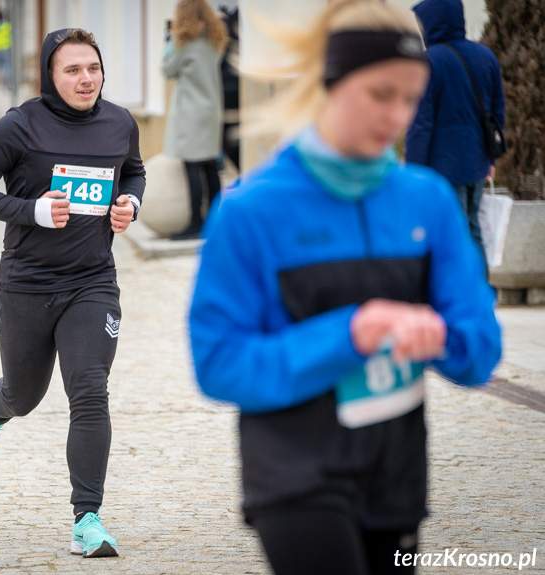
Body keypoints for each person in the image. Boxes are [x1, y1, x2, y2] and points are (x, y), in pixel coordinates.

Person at [188, 1, 502, 574]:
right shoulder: (250, 211)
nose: (398, 115)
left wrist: (445, 337)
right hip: (295, 476)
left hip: (396, 476)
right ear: (330, 83)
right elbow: (218, 363)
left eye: (411, 97)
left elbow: (480, 350)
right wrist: (350, 334)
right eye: (381, 94)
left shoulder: (426, 200)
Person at [0, 28, 145, 559]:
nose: (86, 79)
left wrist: (130, 203)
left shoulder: (119, 122)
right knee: (26, 394)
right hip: (28, 284)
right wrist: (32, 211)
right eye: (72, 70)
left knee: (89, 389)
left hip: (92, 282)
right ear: (50, 75)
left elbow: (133, 171)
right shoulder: (19, 126)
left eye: (93, 68)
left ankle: (88, 517)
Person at [405, 0, 505, 278]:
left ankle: (462, 297)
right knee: (473, 228)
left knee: (451, 231)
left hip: (443, 164)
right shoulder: (486, 57)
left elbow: (420, 122)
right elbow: (497, 113)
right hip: (476, 163)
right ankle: (481, 293)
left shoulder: (430, 61)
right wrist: (490, 158)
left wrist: (413, 169)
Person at [162, 0, 228, 240]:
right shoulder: (215, 40)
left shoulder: (185, 43)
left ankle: (195, 223)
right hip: (211, 109)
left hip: (191, 111)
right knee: (209, 165)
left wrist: (170, 40)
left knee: (191, 165)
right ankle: (214, 219)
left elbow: (167, 70)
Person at [218, 4, 240, 172]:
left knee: (231, 141)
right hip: (228, 88)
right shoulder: (231, 17)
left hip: (230, 89)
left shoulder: (235, 18)